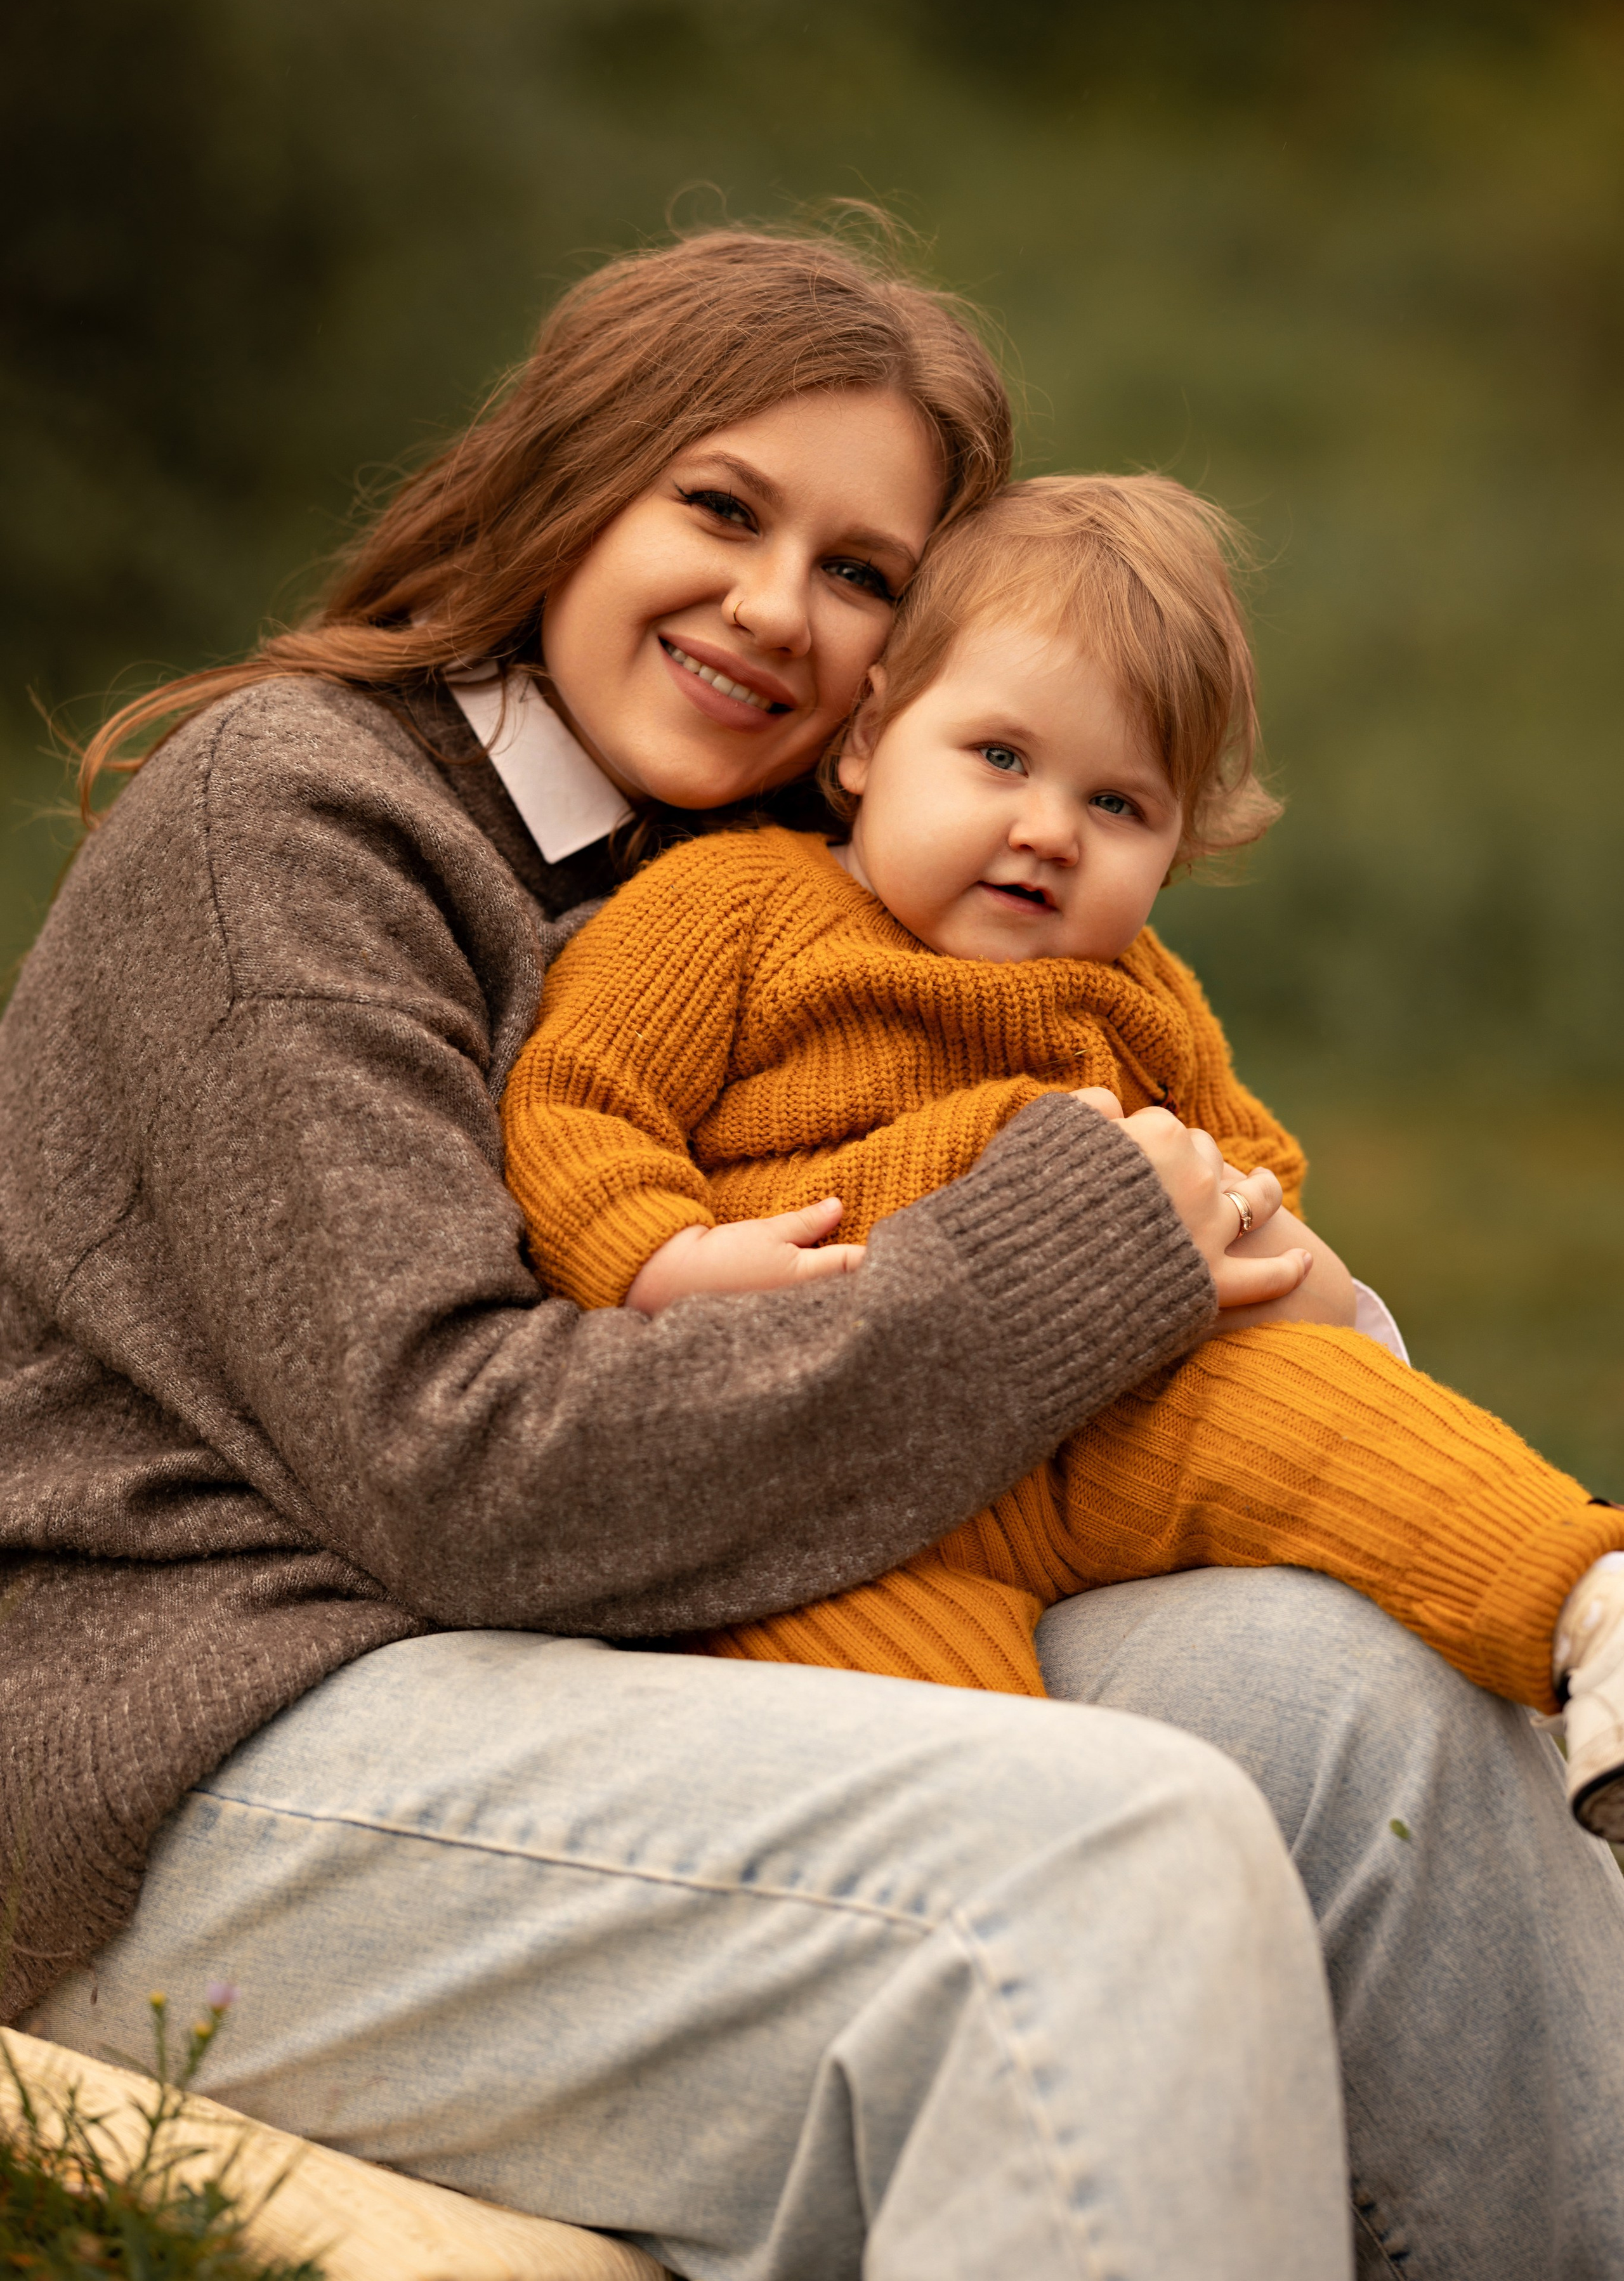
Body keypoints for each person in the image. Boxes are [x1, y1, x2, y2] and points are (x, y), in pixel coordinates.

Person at [4, 223, 1623, 2281]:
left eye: (862, 572)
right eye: (719, 506)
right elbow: (459, 1470)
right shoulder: (296, 822)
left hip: (637, 1656)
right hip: (213, 1731)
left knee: (1364, 1686)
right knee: (1113, 1846)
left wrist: (1285, 1293)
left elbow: (1145, 1232)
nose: (776, 608)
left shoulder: (810, 864)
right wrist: (1063, 1254)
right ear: (562, 486)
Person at [501, 469, 1624, 1827]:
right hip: (815, 1462)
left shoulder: (1134, 991)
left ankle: (1585, 1612)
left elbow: (1254, 1186)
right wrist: (662, 1258)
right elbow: (577, 1101)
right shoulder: (731, 905)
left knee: (1315, 1429)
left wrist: (1294, 1279)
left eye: (1118, 806)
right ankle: (1061, 1885)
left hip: (1094, 1432)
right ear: (864, 742)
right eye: (999, 758)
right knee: (975, 1776)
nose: (1045, 830)